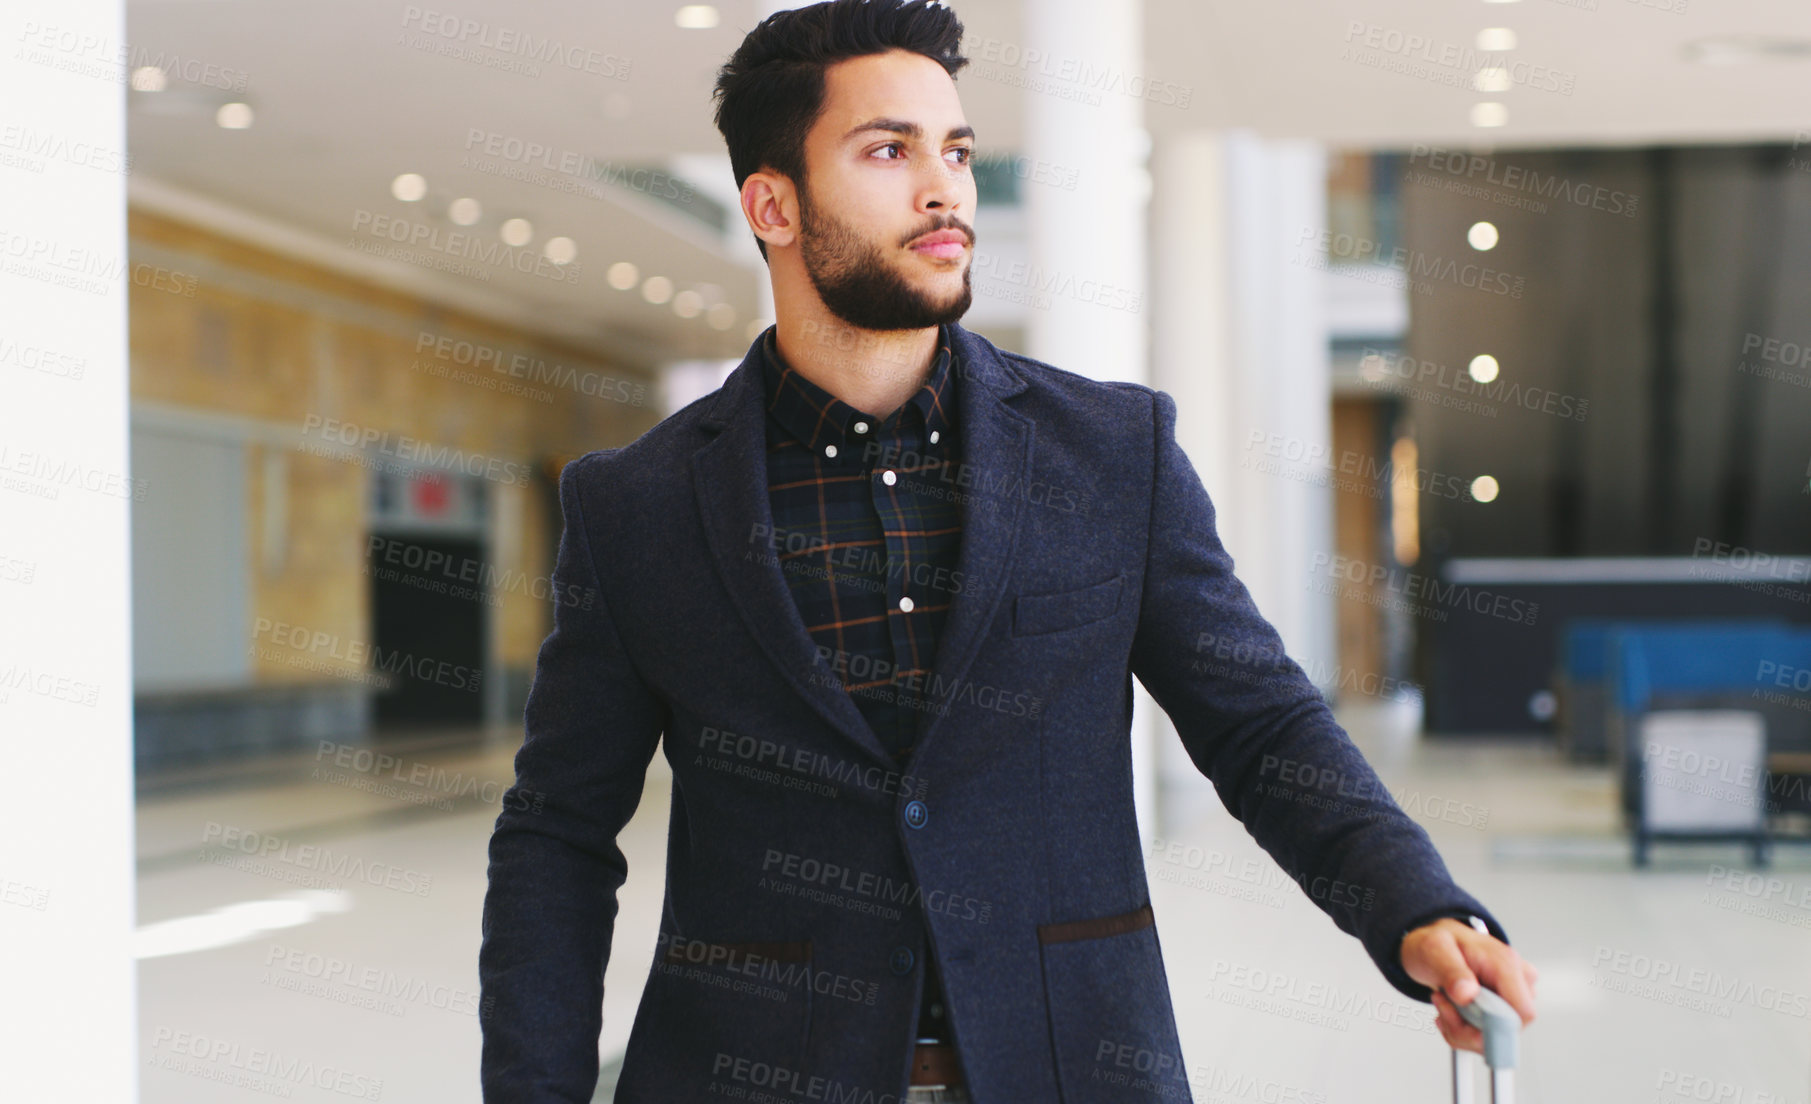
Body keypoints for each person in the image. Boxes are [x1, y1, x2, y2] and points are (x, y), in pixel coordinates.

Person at [477, 2, 1539, 1101]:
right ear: (772, 204)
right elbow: (557, 830)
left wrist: (1414, 906)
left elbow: (1257, 718)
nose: (943, 188)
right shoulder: (639, 505)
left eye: (957, 151)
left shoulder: (1110, 454)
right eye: (887, 150)